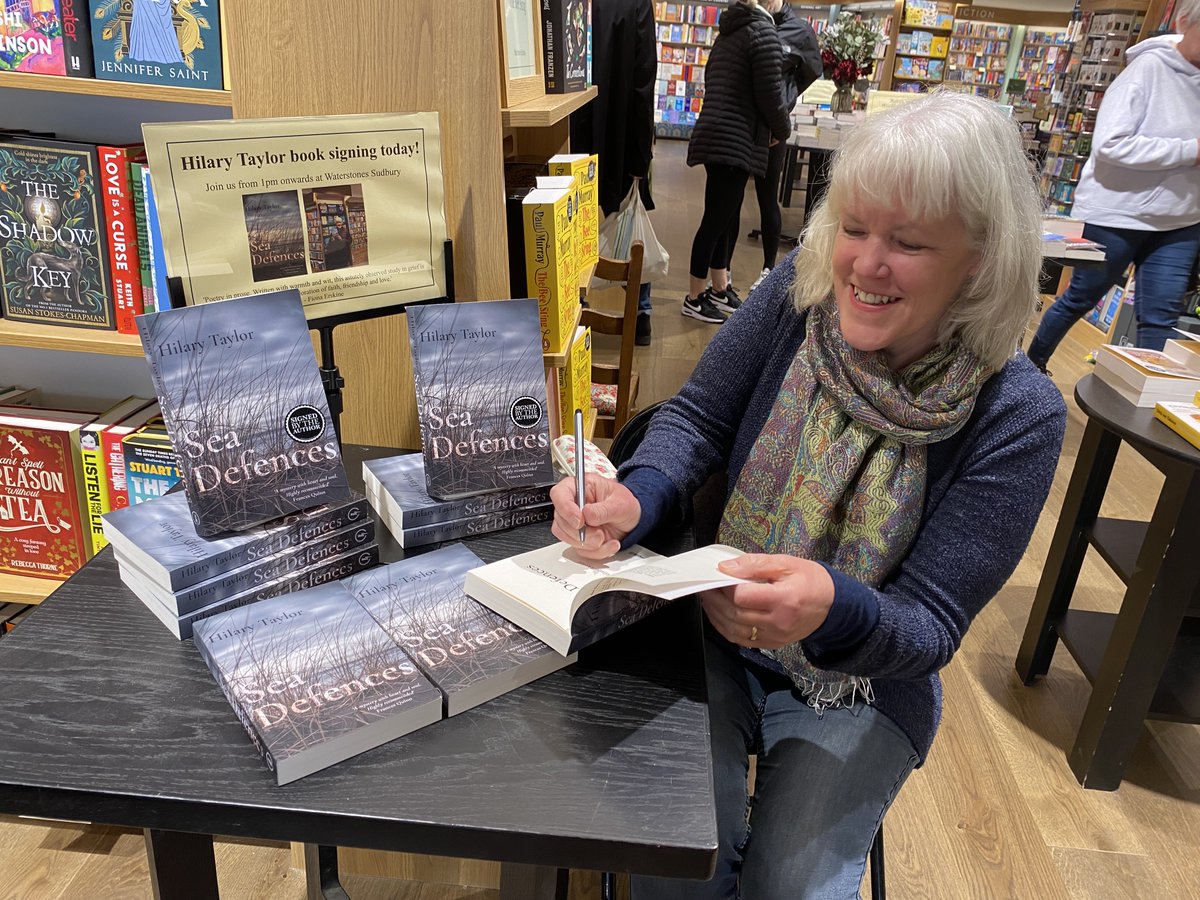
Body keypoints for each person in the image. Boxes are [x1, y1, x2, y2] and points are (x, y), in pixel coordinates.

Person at [550, 91, 1067, 899]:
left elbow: (929, 625)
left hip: (863, 678)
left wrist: (833, 608)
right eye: (855, 228)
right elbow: (698, 418)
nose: (866, 264)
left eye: (909, 242)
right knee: (676, 863)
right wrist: (638, 497)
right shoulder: (800, 291)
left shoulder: (1018, 414)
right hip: (707, 630)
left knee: (788, 887)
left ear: (980, 256)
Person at [1028, 0, 1200, 371]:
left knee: (1160, 318)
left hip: (1181, 219)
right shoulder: (1147, 70)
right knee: (1081, 297)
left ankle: (1145, 403)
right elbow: (1110, 144)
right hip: (1119, 213)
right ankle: (1031, 366)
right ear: (1185, 22)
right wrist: (1191, 151)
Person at [683, 0, 791, 325]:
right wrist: (782, 129)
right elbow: (771, 93)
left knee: (724, 218)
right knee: (715, 222)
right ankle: (694, 298)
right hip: (736, 138)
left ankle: (719, 287)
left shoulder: (729, 32)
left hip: (717, 134)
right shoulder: (764, 33)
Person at [570, 0, 657, 345]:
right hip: (617, 131)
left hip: (570, 129)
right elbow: (642, 82)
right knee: (630, 217)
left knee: (571, 217)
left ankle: (576, 302)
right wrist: (639, 160)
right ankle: (641, 311)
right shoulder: (635, 3)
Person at [749, 1, 822, 295]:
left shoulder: (800, 31)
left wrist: (787, 99)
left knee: (767, 197)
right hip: (745, 126)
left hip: (774, 130)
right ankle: (722, 275)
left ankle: (768, 268)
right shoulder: (752, 24)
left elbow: (812, 70)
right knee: (728, 207)